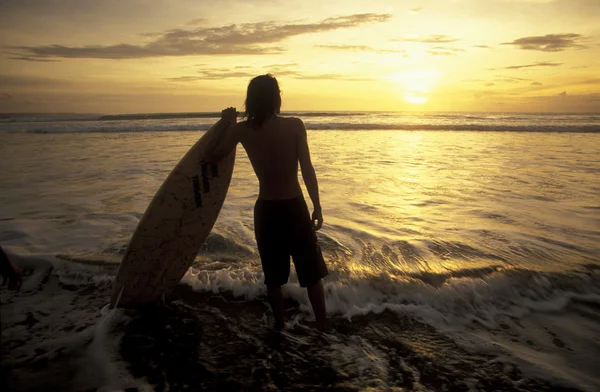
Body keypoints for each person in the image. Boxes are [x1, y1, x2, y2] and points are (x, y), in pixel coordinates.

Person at [206, 74, 328, 331]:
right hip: (295, 207)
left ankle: (280, 327)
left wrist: (225, 124)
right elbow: (307, 169)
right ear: (277, 98)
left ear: (250, 101)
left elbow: (213, 157)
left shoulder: (241, 130)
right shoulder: (295, 126)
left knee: (273, 278)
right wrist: (316, 206)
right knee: (311, 274)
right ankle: (323, 325)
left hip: (267, 211)